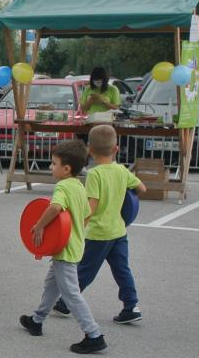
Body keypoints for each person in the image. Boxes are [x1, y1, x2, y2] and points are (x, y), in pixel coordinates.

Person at [20, 139, 107, 354]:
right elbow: (86, 214)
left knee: (71, 294)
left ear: (66, 169)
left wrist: (39, 226)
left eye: (54, 163)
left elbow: (55, 208)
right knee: (51, 285)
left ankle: (94, 335)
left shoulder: (63, 186)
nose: (51, 167)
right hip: (72, 246)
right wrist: (72, 230)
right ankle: (37, 320)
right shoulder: (79, 186)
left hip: (65, 250)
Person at [52, 125, 146, 323]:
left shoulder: (95, 174)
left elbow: (91, 207)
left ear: (89, 150)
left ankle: (65, 303)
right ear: (116, 149)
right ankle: (131, 306)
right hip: (118, 231)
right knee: (122, 270)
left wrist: (76, 227)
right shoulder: (121, 170)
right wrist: (126, 199)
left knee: (85, 270)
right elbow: (141, 188)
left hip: (98, 233)